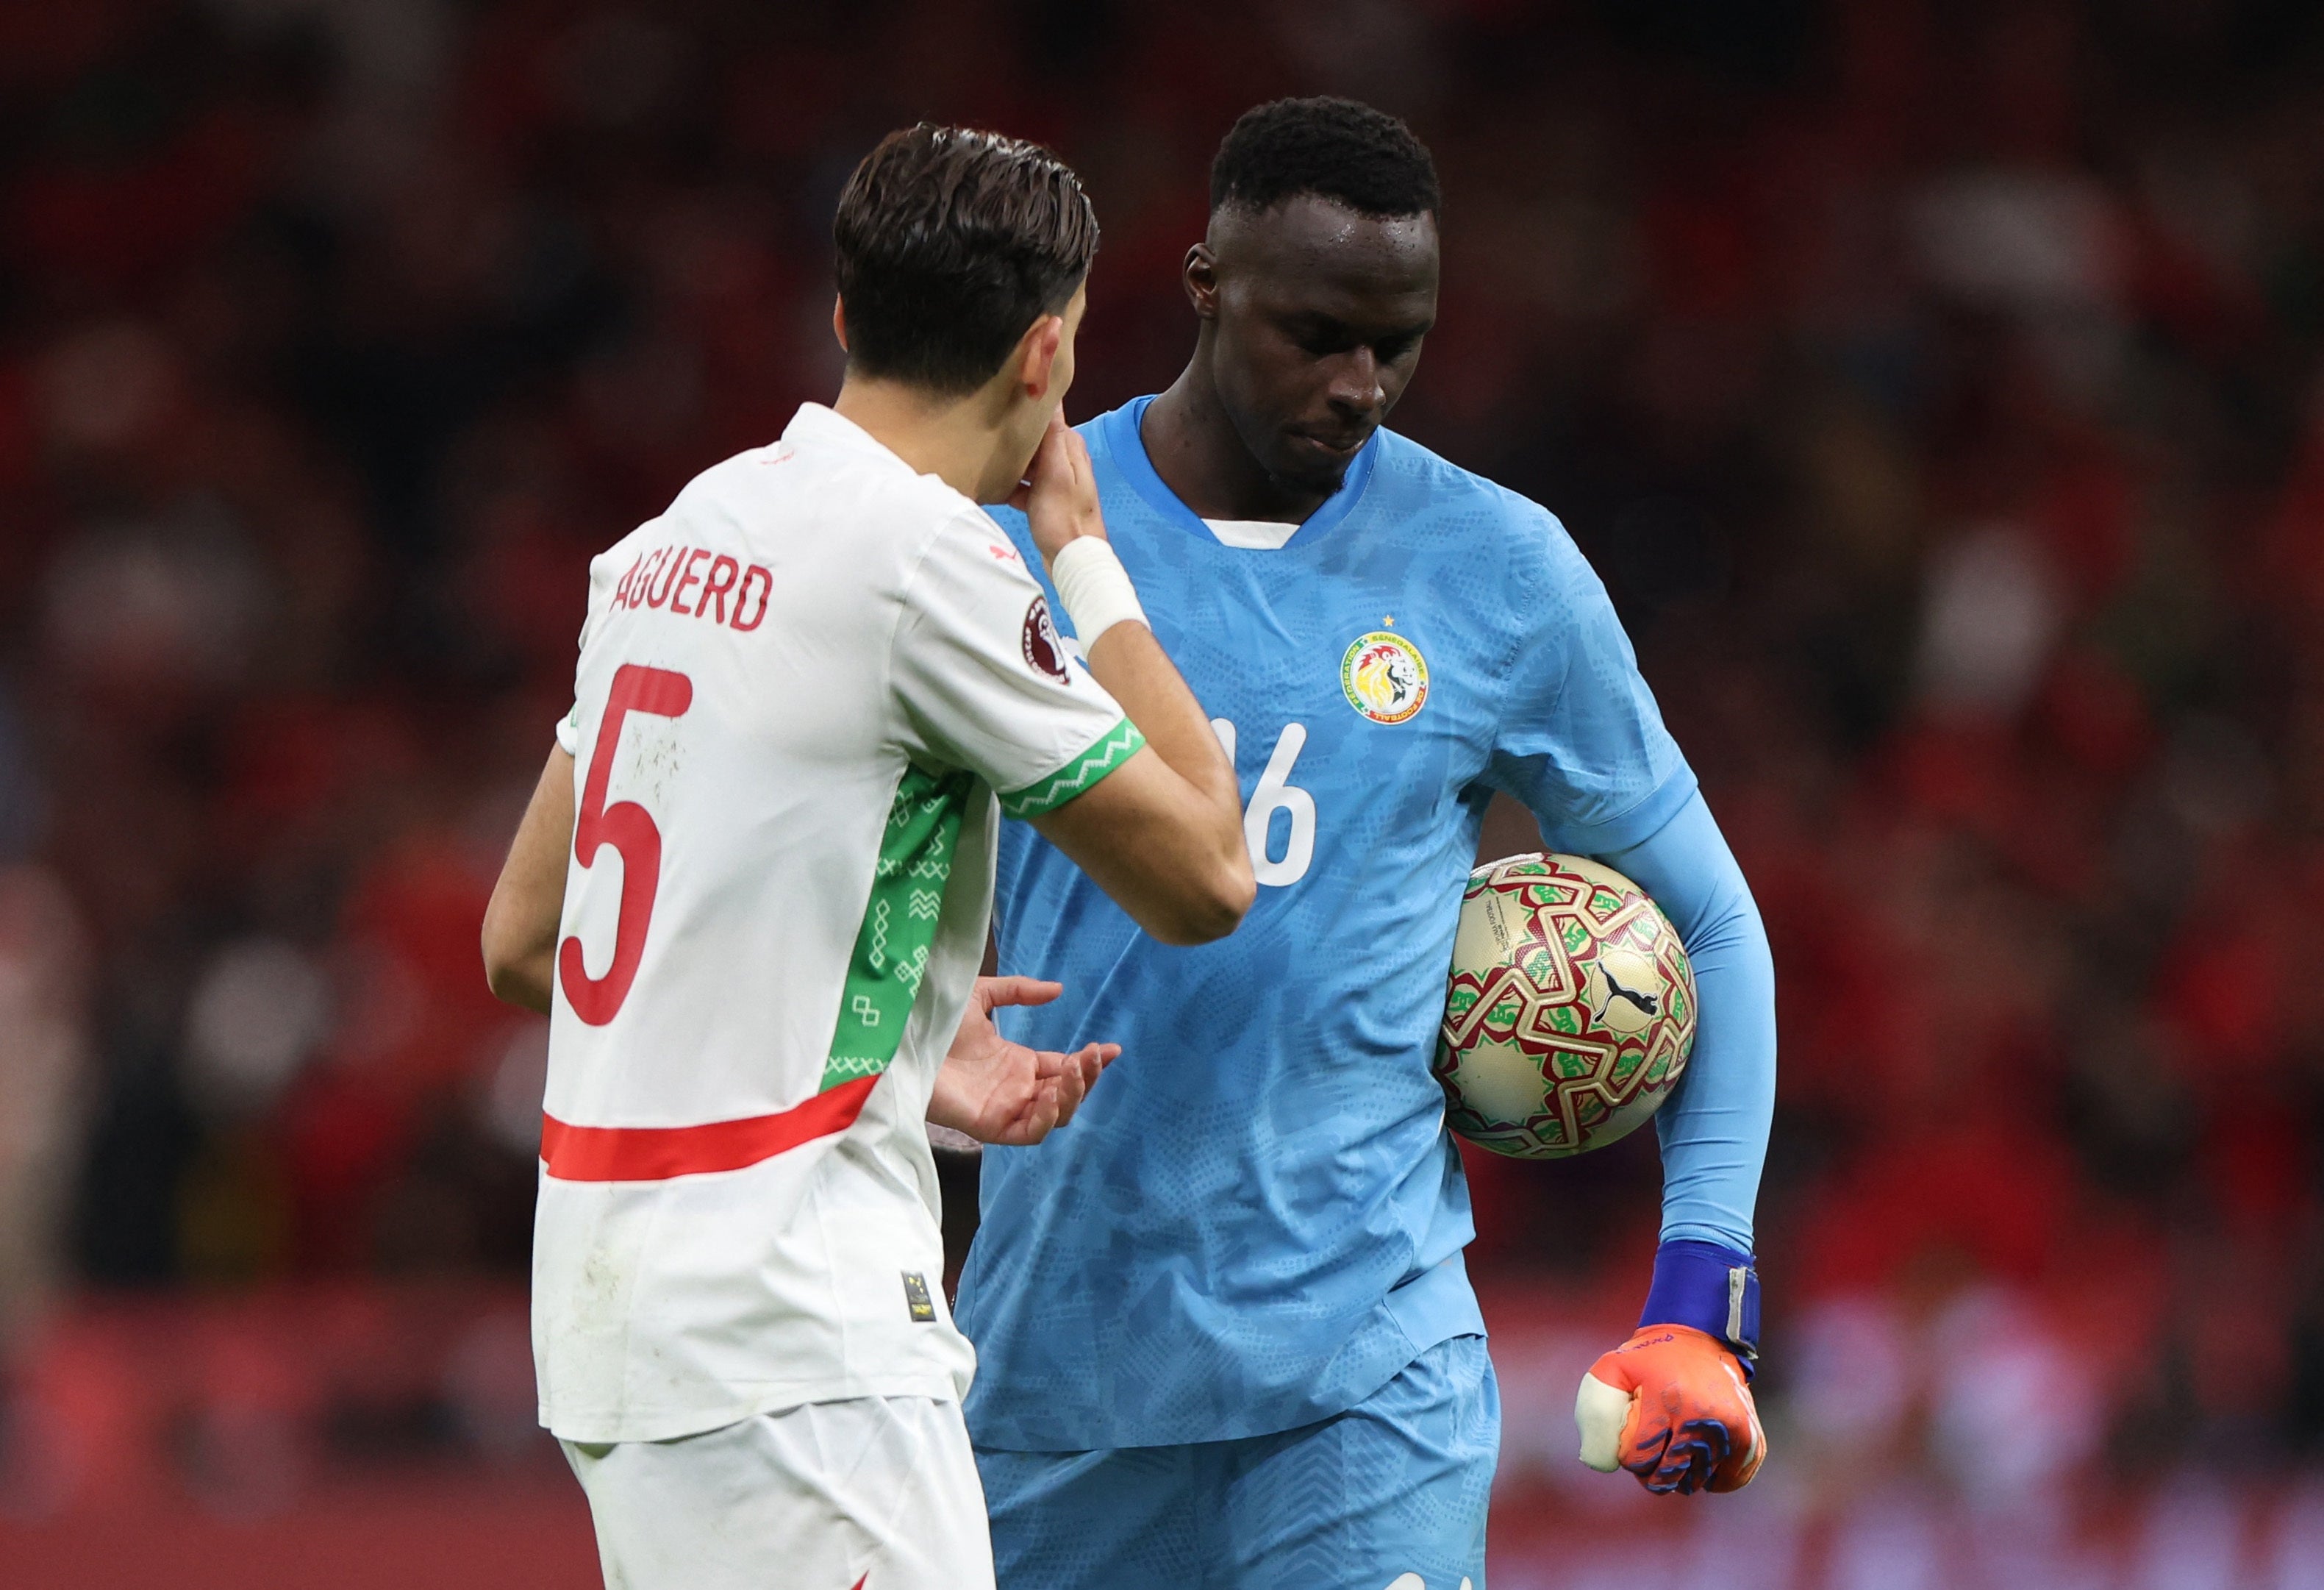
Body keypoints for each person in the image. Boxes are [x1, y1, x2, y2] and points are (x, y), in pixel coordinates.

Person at [959, 97, 1777, 1588]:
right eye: (1318, 333)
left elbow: (1712, 921)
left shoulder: (1499, 568)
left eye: (1397, 343)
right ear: (1206, 283)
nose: (1362, 385)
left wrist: (1699, 1288)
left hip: (1365, 1385)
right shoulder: (1011, 525)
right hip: (1056, 1379)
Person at [478, 124, 1254, 1590]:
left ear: (845, 320)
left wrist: (889, 1023)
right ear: (1042, 359)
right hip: (793, 1336)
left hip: (613, 1319)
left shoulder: (664, 548)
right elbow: (1208, 870)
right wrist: (1082, 552)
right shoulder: (928, 564)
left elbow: (528, 939)